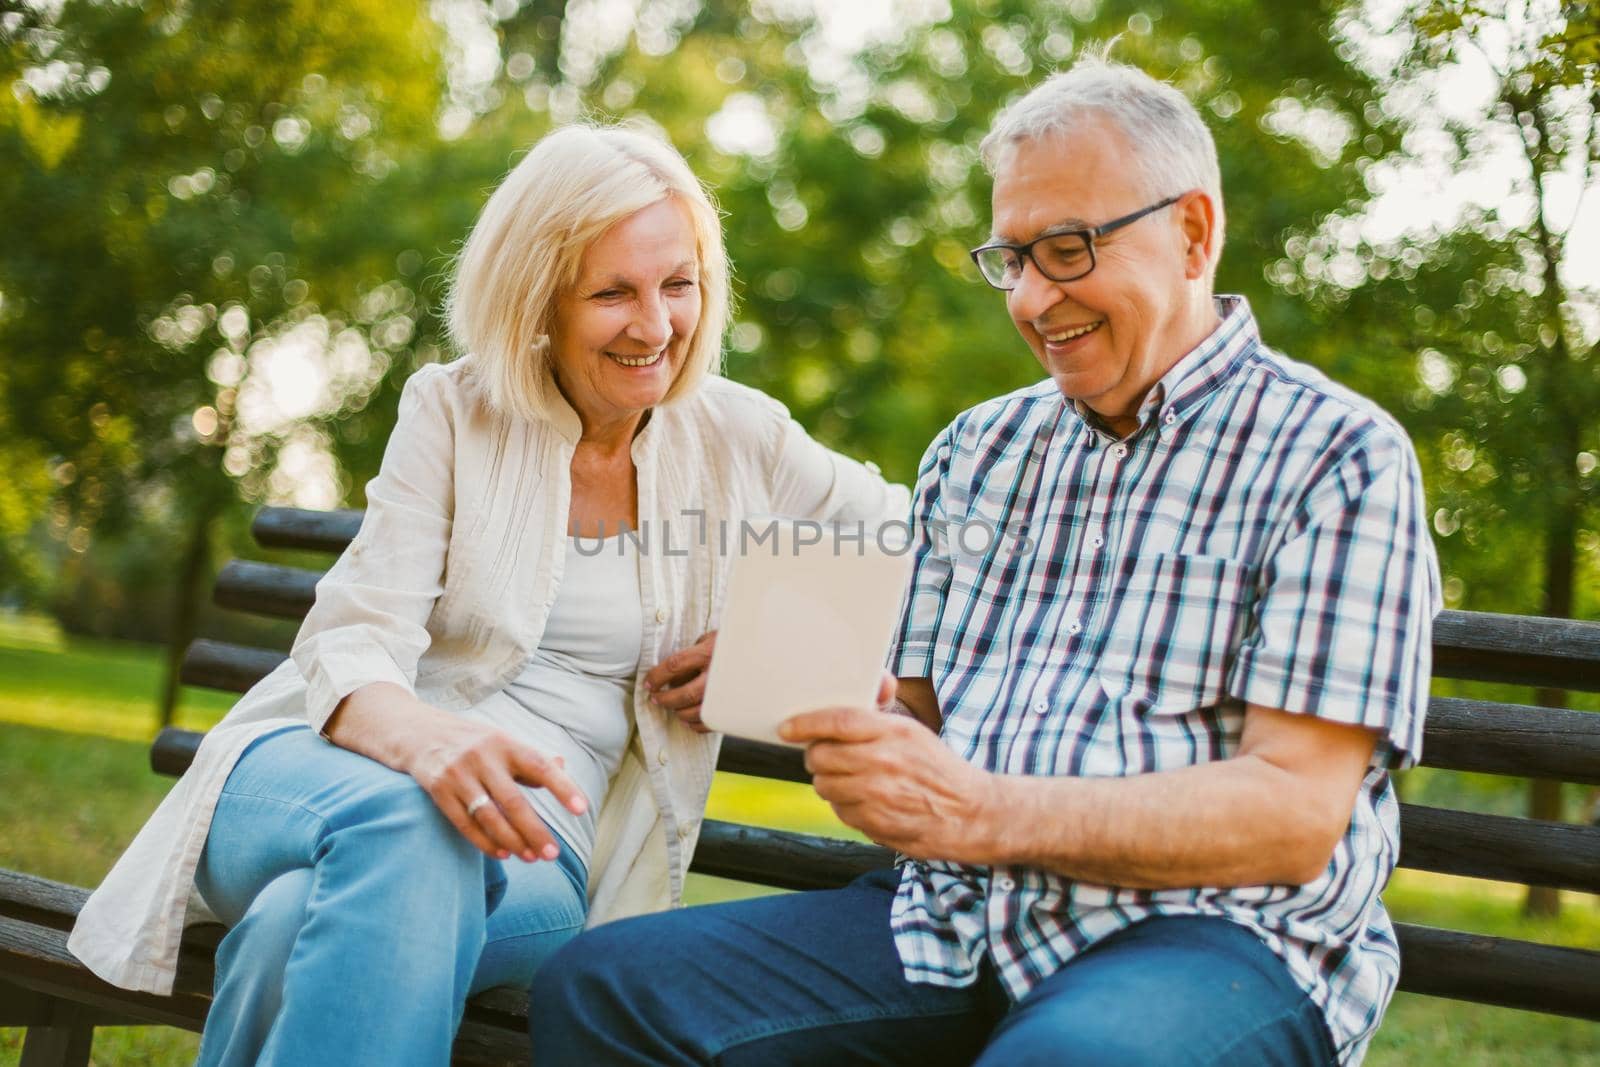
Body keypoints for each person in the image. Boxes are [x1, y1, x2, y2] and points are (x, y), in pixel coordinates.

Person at [529, 53, 1440, 1067]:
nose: (1033, 298)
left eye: (1067, 248)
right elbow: (916, 706)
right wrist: (793, 684)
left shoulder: (1335, 456)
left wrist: (979, 809)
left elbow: (1292, 813)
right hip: (955, 922)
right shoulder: (979, 450)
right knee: (604, 985)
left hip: (1214, 937)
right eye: (1011, 257)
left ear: (1191, 232)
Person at [67, 123, 906, 1066]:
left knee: (295, 924)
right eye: (613, 293)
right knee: (411, 817)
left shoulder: (737, 437)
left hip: (538, 848)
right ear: (537, 299)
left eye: (678, 284)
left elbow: (920, 538)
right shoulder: (452, 409)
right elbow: (354, 634)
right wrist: (433, 747)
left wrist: (773, 655)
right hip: (317, 773)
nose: (656, 325)